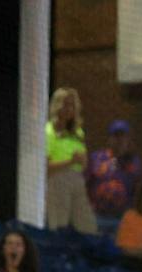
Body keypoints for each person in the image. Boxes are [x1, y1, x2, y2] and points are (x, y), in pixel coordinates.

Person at [44, 87, 96, 234]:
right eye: (65, 104)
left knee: (88, 227)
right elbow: (45, 168)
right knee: (59, 224)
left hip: (77, 180)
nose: (69, 109)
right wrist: (70, 162)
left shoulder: (78, 132)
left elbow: (83, 164)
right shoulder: (48, 131)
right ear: (57, 105)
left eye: (72, 105)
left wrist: (81, 162)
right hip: (57, 181)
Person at [84, 118, 142, 220]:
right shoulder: (96, 158)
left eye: (123, 136)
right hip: (98, 215)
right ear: (109, 138)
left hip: (124, 216)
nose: (119, 140)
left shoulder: (134, 161)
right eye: (116, 136)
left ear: (128, 139)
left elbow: (138, 188)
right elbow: (85, 183)